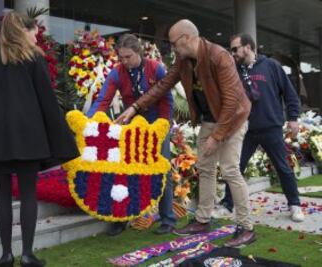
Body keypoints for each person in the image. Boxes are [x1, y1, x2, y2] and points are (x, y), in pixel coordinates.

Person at [116, 20, 256, 247]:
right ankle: (203, 220)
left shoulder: (219, 56)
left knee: (230, 169)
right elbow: (163, 85)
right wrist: (135, 107)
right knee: (205, 168)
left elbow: (231, 102)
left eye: (173, 43)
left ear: (186, 39)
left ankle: (246, 227)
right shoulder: (182, 60)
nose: (172, 48)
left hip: (233, 119)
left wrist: (216, 136)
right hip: (210, 119)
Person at [0, 12, 79, 267]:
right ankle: (27, 255)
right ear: (22, 31)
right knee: (28, 195)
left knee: (2, 196)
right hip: (28, 140)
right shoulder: (34, 59)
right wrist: (62, 139)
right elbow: (47, 103)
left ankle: (6, 255)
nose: (35, 35)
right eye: (32, 31)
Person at [87, 33, 176, 236]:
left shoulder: (156, 68)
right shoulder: (117, 72)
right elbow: (103, 100)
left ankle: (168, 218)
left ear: (138, 53)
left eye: (128, 57)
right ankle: (122, 218)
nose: (124, 62)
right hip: (131, 125)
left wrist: (164, 125)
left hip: (156, 124)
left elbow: (166, 100)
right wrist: (90, 122)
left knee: (163, 170)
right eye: (121, 57)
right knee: (126, 171)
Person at [212, 33, 304, 222]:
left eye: (236, 49)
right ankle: (228, 205)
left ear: (248, 47)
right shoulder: (234, 70)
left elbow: (290, 94)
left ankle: (294, 205)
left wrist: (293, 118)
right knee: (235, 168)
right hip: (244, 129)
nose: (233, 53)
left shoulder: (271, 66)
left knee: (283, 167)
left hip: (271, 127)